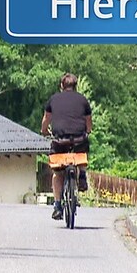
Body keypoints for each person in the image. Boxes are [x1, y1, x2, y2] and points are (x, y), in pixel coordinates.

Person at [41, 73, 92, 220]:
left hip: (59, 140)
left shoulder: (53, 99)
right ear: (75, 86)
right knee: (83, 146)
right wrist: (87, 131)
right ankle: (82, 174)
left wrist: (44, 131)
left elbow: (46, 120)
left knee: (57, 173)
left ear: (62, 86)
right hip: (78, 140)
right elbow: (88, 123)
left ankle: (57, 205)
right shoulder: (83, 100)